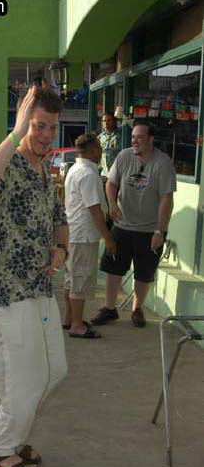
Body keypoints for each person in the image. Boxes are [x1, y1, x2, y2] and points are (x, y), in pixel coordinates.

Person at [0, 87, 68, 467]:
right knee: (23, 380)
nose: (46, 135)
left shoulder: (45, 171)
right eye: (38, 126)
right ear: (23, 122)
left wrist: (61, 251)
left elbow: (59, 221)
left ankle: (13, 436)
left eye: (52, 127)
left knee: (54, 370)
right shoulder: (11, 164)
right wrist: (15, 134)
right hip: (5, 293)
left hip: (38, 290)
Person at [92, 121, 176, 328]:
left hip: (149, 229)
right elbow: (111, 183)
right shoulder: (123, 156)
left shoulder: (163, 163)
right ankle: (110, 308)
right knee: (113, 268)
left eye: (139, 137)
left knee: (143, 273)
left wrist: (160, 230)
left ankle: (137, 309)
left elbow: (167, 199)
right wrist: (112, 203)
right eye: (133, 137)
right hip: (122, 225)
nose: (134, 141)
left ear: (150, 140)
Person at [63, 133, 116, 338]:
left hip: (74, 233)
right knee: (80, 281)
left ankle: (70, 319)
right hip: (83, 235)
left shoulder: (75, 169)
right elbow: (94, 210)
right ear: (93, 149)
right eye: (99, 147)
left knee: (72, 279)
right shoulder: (88, 174)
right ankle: (77, 325)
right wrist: (109, 239)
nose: (101, 150)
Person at [98, 111, 121, 180]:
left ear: (114, 121)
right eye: (104, 121)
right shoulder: (100, 137)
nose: (106, 123)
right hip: (104, 173)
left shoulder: (121, 135)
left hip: (117, 173)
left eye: (109, 120)